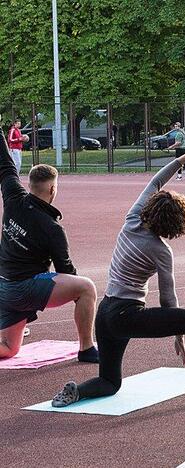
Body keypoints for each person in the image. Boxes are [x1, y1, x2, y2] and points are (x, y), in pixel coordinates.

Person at [51, 141, 185, 407]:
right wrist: (180, 332)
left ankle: (77, 390)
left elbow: (155, 182)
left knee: (110, 382)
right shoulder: (161, 250)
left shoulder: (132, 218)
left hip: (106, 312)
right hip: (127, 315)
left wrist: (181, 160)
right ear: (176, 225)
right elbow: (168, 298)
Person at [0, 129, 98, 361]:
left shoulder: (14, 197)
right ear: (52, 189)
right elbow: (66, 272)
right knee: (86, 288)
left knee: (8, 348)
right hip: (24, 289)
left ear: (30, 184)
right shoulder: (53, 229)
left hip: (4, 288)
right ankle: (86, 349)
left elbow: (5, 167)